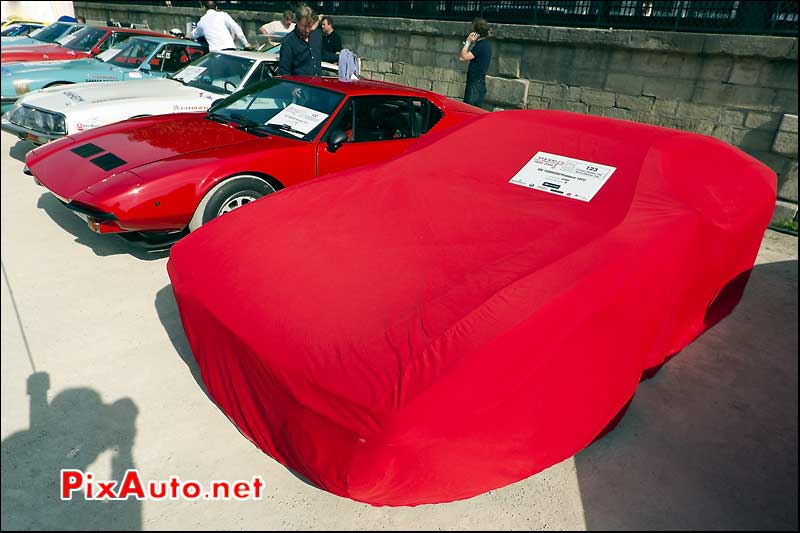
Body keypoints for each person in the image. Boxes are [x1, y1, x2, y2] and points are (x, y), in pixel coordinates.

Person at [276, 4, 322, 76]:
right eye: (304, 26)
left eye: (310, 26)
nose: (307, 30)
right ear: (297, 21)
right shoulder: (288, 42)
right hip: (300, 85)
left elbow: (322, 54)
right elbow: (284, 71)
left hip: (316, 85)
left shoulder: (316, 36)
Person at [458, 17, 491, 107]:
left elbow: (462, 57)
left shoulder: (481, 46)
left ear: (476, 33)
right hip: (478, 84)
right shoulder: (485, 44)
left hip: (475, 85)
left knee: (468, 113)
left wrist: (468, 42)